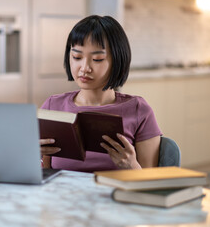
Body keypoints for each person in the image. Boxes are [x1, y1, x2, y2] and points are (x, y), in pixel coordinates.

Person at [40, 15, 162, 172]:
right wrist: (33, 156)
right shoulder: (53, 106)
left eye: (97, 59)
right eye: (77, 57)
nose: (84, 68)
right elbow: (43, 175)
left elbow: (150, 184)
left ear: (117, 60)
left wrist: (131, 166)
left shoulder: (139, 110)